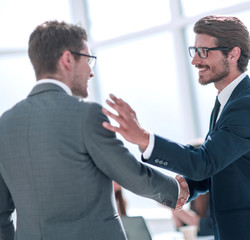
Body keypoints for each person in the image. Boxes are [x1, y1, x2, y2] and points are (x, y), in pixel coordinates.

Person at [102, 15, 250, 240]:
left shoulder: (247, 104)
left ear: (233, 54)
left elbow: (205, 162)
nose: (195, 60)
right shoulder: (226, 102)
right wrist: (187, 186)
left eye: (203, 51)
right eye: (194, 51)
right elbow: (216, 165)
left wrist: (144, 137)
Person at [0, 20, 189, 240]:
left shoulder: (5, 124)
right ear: (68, 59)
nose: (91, 72)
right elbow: (130, 174)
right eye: (88, 60)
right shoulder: (85, 115)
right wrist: (175, 191)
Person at [171, 139, 213, 237]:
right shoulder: (194, 194)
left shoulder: (213, 192)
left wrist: (173, 205)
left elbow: (204, 227)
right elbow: (182, 227)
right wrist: (173, 205)